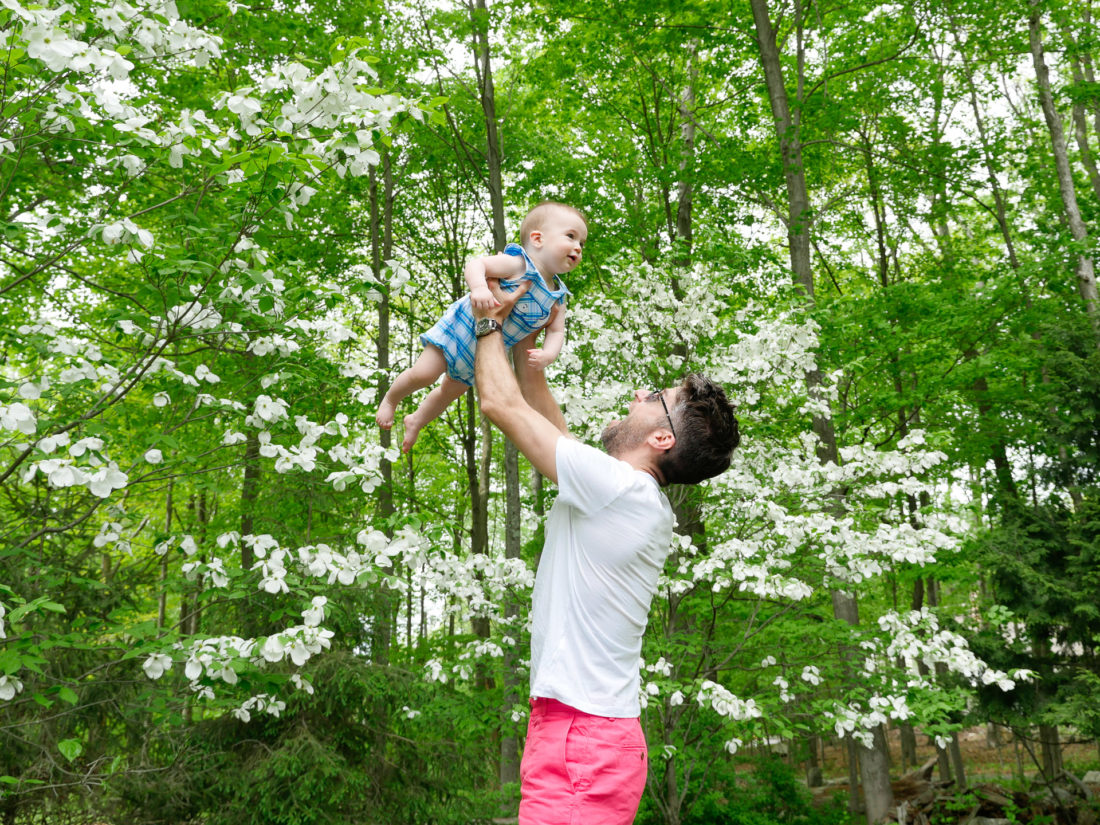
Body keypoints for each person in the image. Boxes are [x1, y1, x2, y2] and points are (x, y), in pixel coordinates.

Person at [471, 282, 741, 825]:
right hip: (580, 735)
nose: (640, 394)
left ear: (662, 439)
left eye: (654, 398)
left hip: (582, 740)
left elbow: (499, 403)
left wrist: (486, 319)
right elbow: (550, 428)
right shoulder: (625, 493)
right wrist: (535, 354)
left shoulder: (622, 491)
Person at [375, 201, 587, 452]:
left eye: (582, 243)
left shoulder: (558, 297)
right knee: (424, 374)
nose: (578, 247)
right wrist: (479, 287)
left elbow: (556, 331)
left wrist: (549, 354)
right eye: (571, 236)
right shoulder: (518, 265)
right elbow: (477, 264)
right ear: (538, 239)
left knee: (447, 393)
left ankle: (417, 420)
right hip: (458, 333)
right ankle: (391, 399)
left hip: (482, 355)